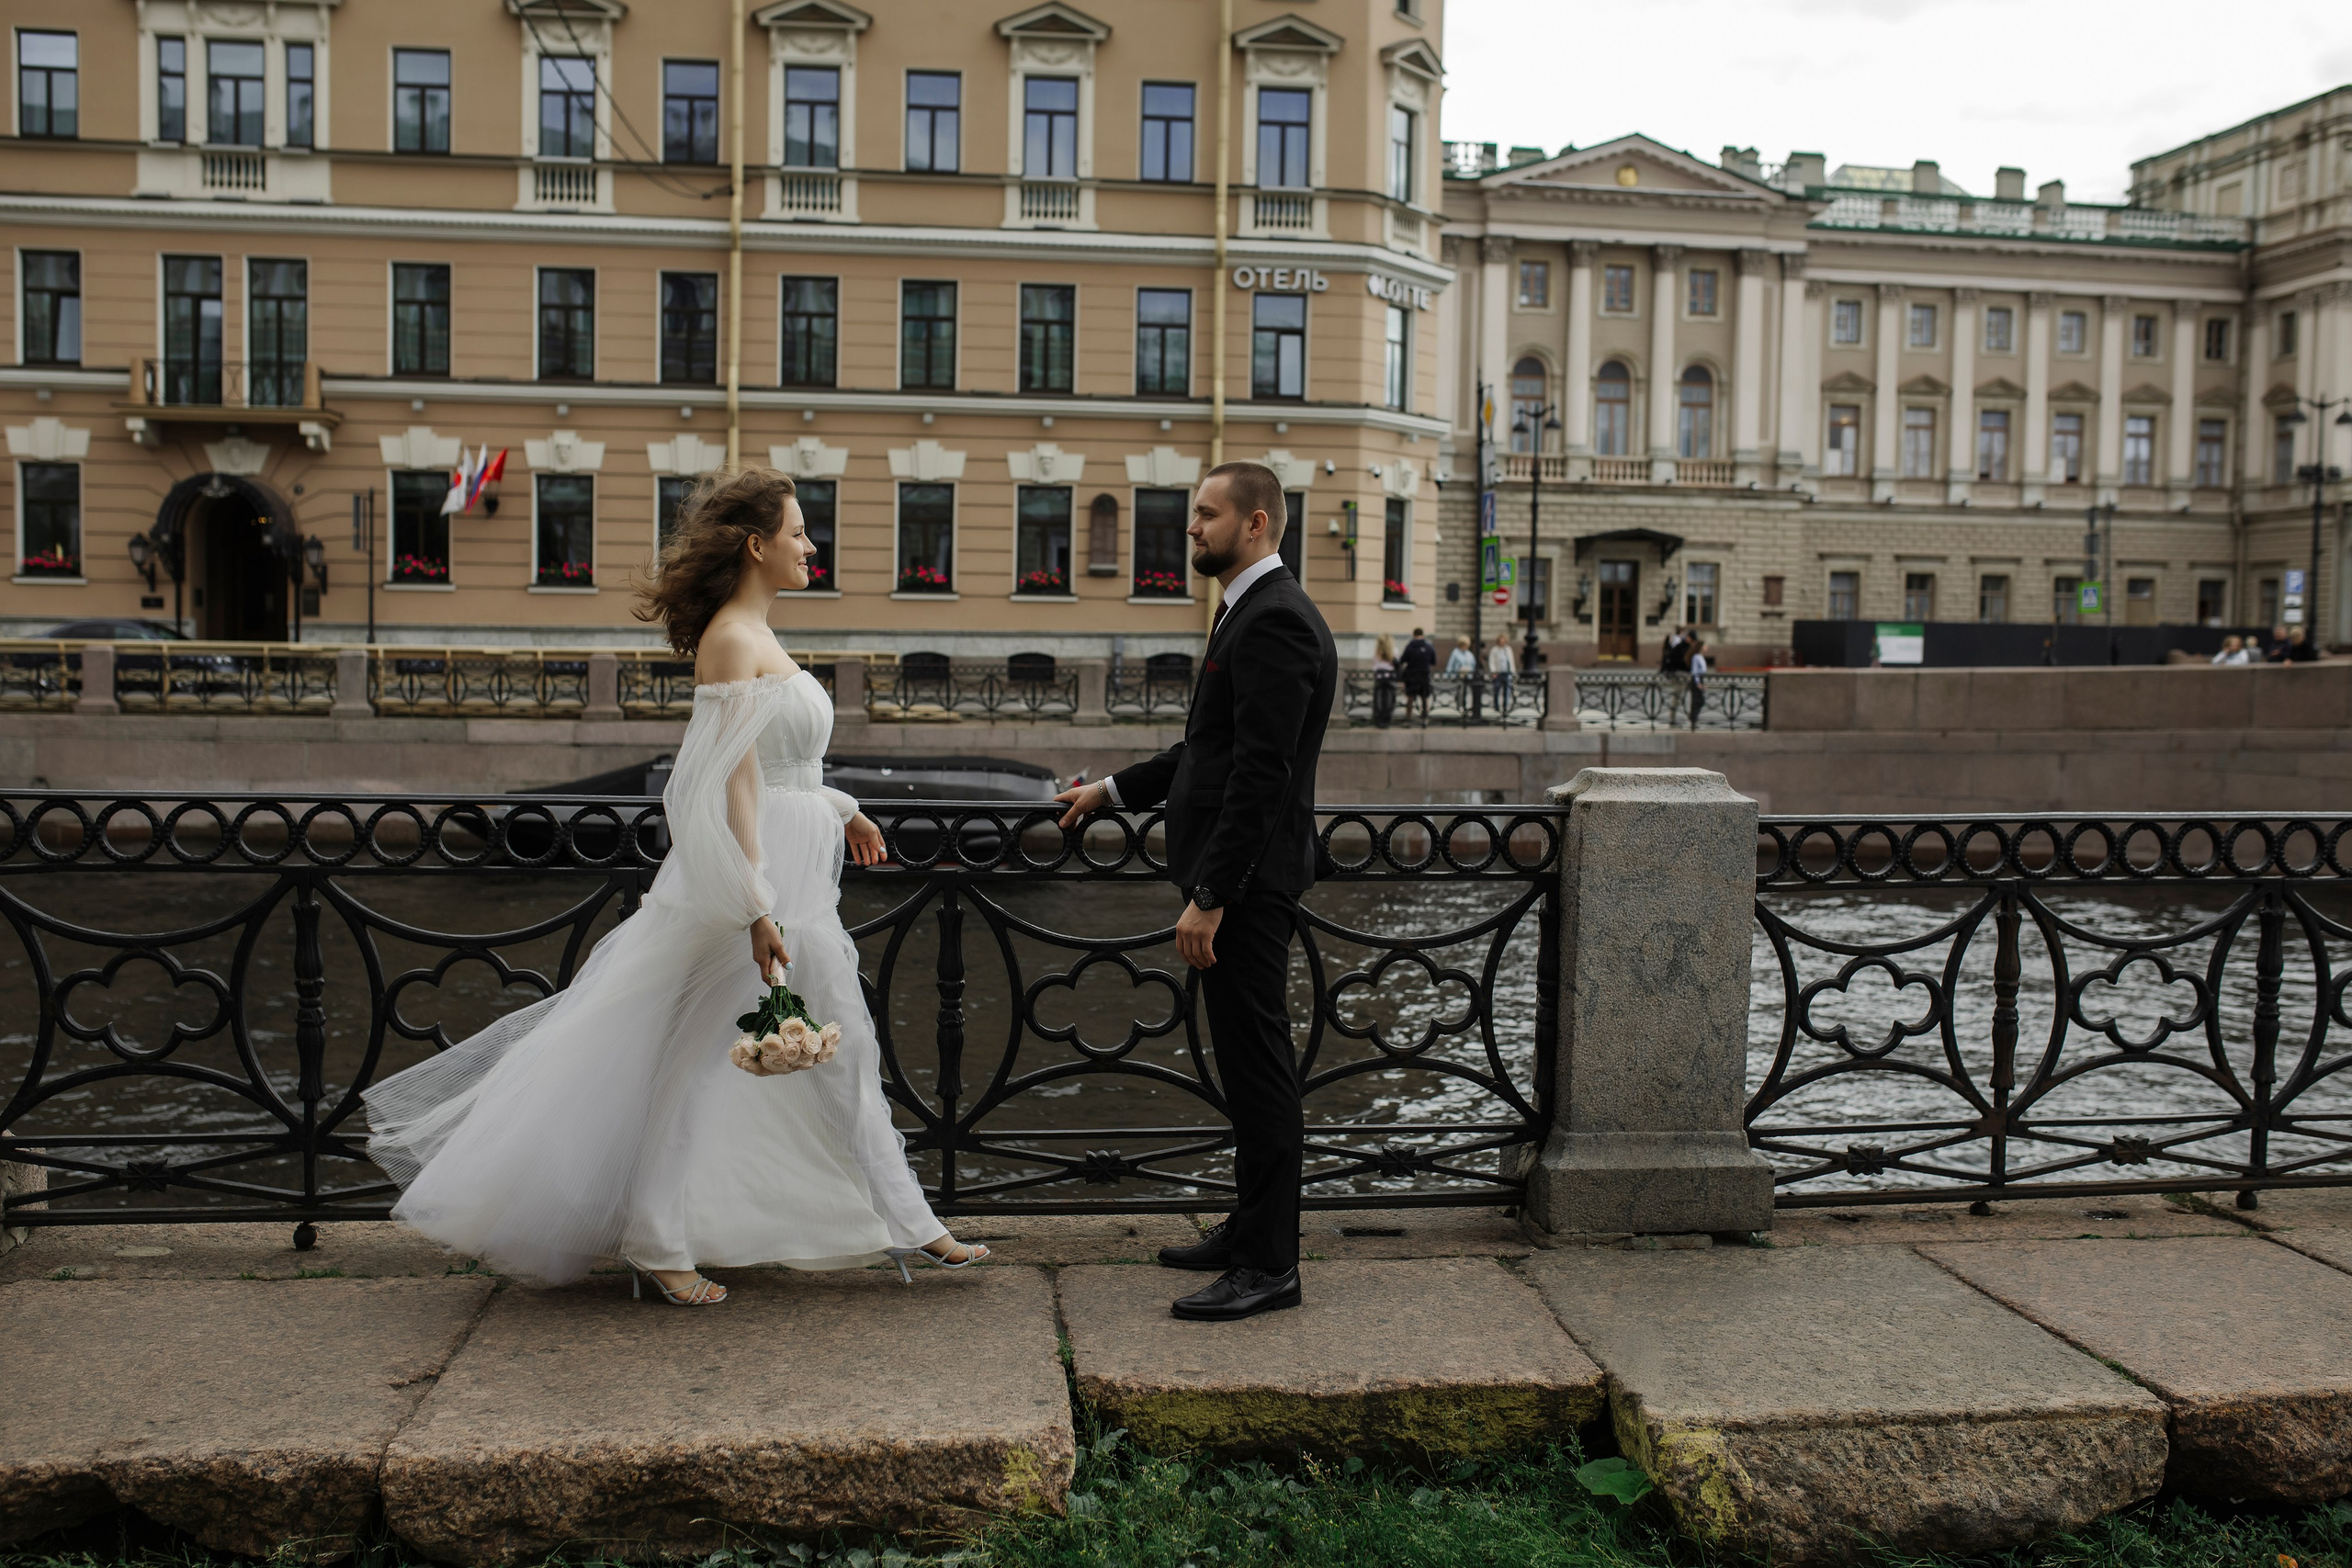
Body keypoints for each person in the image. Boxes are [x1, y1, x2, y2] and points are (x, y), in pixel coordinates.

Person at [364, 468, 988, 1305]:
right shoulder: (731, 638)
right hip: (753, 885)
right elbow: (721, 786)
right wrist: (754, 905)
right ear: (757, 545)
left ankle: (914, 1223)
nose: (813, 546)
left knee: (849, 1050)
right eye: (800, 533)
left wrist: (842, 806)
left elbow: (784, 769)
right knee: (694, 1065)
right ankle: (659, 1242)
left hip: (803, 873)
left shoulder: (758, 632)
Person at [1055, 461, 1338, 1324]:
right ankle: (1249, 1230)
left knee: (1260, 1073)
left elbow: (1261, 772)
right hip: (1239, 880)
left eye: (1207, 515)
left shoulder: (1276, 621)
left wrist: (1212, 892)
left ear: (1256, 524)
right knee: (1249, 1069)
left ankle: (1268, 1265)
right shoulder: (1249, 610)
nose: (1192, 529)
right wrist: (1110, 789)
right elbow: (1206, 754)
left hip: (1246, 887)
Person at [1398, 626, 1438, 722]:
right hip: (1424, 675)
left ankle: (1408, 719)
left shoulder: (1410, 646)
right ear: (1423, 635)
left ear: (1414, 635)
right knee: (1424, 697)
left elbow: (1403, 660)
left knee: (1410, 698)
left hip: (1411, 675)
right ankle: (1425, 718)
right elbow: (1434, 661)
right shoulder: (1429, 646)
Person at [1371, 633, 1397, 728]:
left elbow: (1375, 667)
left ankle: (1379, 721)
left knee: (1379, 700)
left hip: (1379, 678)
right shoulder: (1394, 651)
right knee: (1390, 700)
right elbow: (1397, 664)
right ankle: (1386, 721)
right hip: (1390, 678)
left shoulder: (1378, 652)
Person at [1487, 632, 1518, 713]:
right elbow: (1492, 662)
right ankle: (1496, 706)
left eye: (1504, 641)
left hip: (1507, 673)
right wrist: (1493, 672)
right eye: (1501, 641)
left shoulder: (1508, 649)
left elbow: (1511, 661)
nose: (1502, 643)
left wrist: (1513, 672)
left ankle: (1505, 707)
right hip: (1498, 673)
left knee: (1507, 690)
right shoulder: (1494, 649)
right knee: (1496, 689)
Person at [1685, 636, 1709, 728]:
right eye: (1706, 646)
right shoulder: (1696, 657)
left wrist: (1703, 683)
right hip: (1696, 680)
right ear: (1701, 646)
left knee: (1700, 701)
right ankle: (1693, 720)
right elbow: (1695, 671)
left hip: (1700, 679)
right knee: (1697, 701)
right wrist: (1698, 683)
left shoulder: (1701, 656)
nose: (1707, 647)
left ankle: (1693, 718)